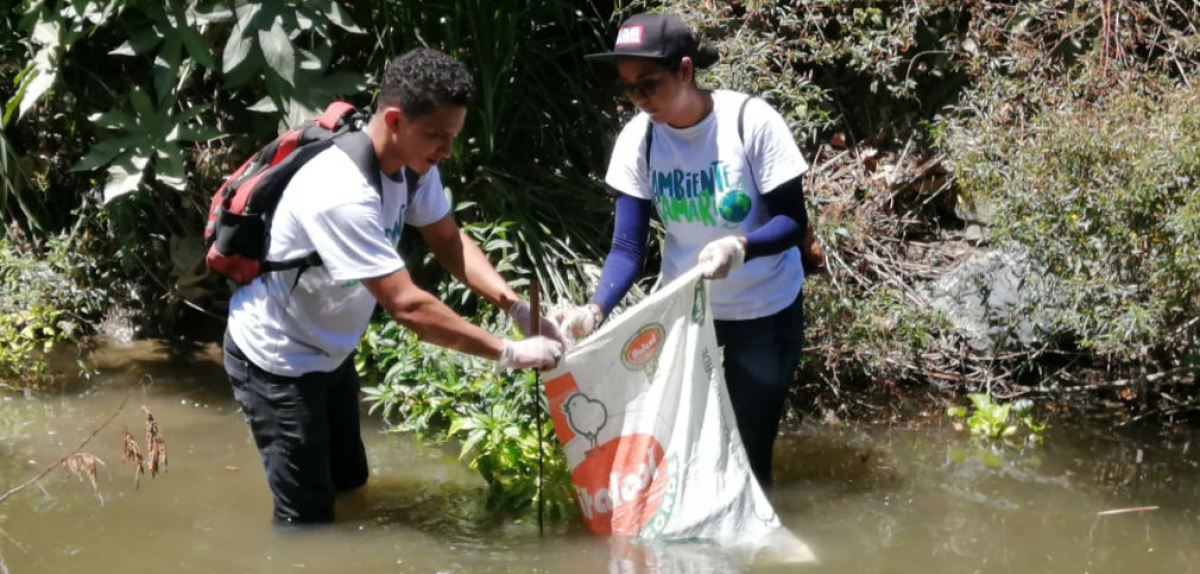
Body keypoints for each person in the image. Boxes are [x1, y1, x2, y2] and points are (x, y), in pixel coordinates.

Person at [222, 48, 565, 524]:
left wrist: (513, 306)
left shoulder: (413, 165)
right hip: (277, 359)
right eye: (437, 135)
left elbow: (448, 240)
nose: (447, 149)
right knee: (307, 523)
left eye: (452, 136)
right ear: (396, 120)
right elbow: (407, 306)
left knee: (351, 484)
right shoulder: (340, 193)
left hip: (330, 352)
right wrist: (509, 352)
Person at [554, 13, 813, 488]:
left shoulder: (749, 122)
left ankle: (751, 551)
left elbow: (794, 222)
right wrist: (593, 311)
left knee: (748, 459)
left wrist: (740, 246)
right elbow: (628, 248)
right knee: (682, 446)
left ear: (686, 71)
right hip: (688, 314)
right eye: (629, 88)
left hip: (765, 310)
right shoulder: (641, 138)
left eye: (649, 84)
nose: (638, 99)